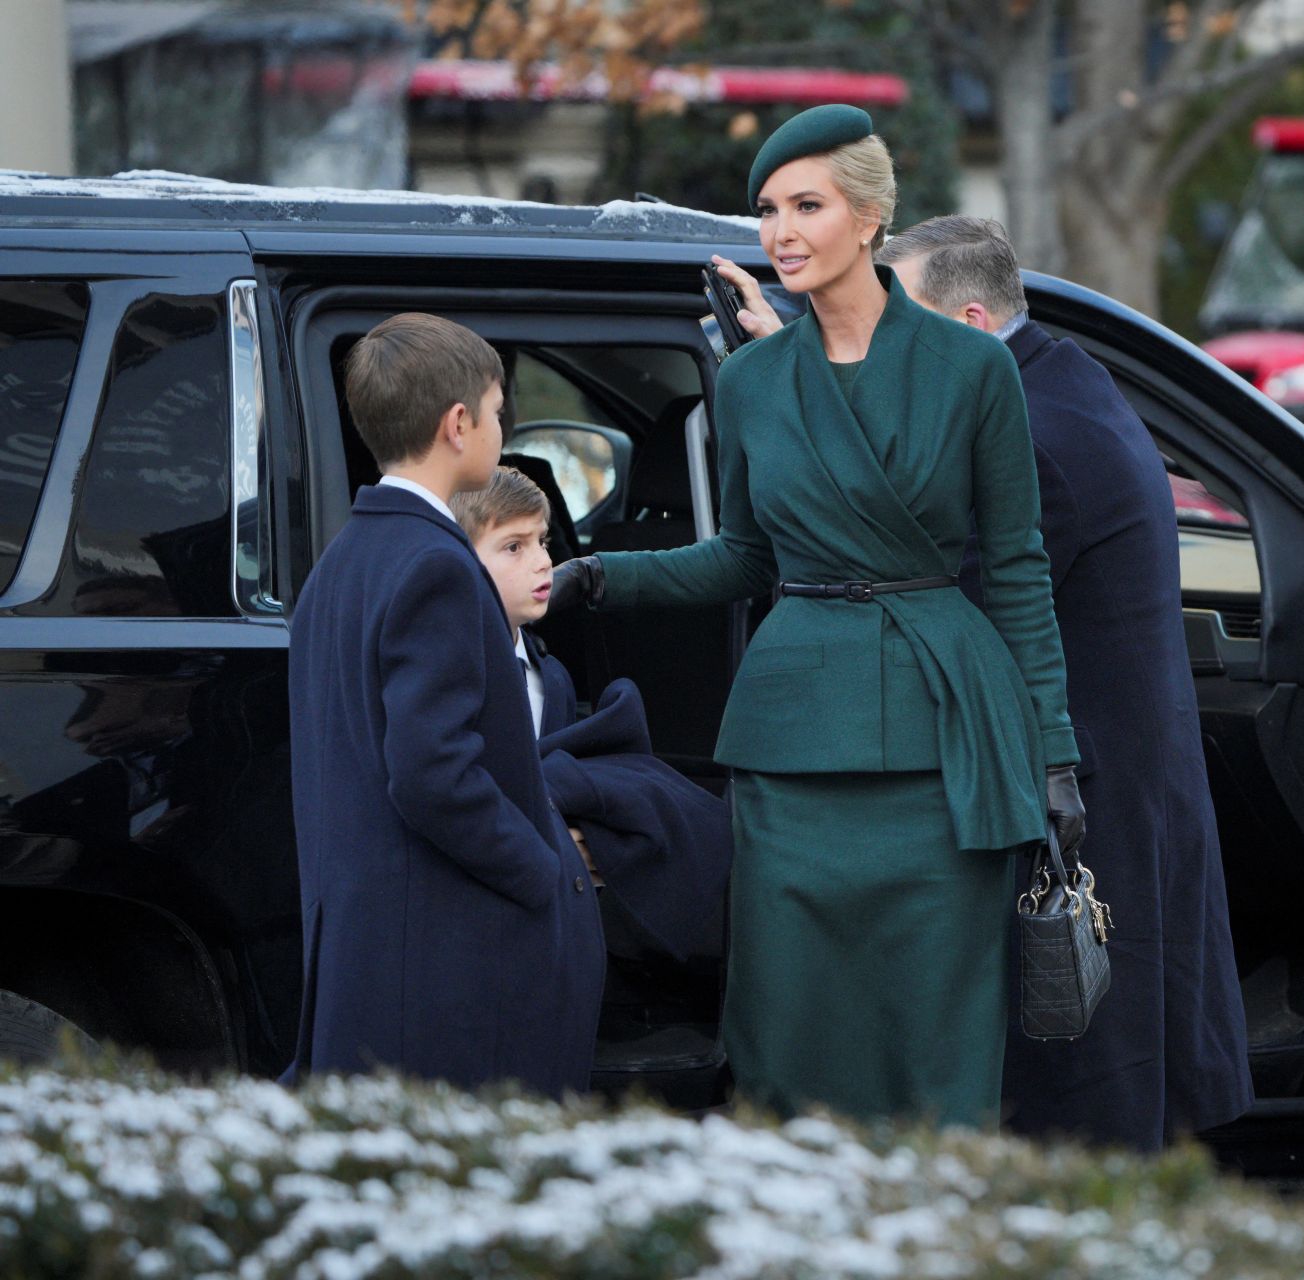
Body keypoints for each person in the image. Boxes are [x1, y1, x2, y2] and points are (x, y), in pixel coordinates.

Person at [547, 105, 1085, 1127]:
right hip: (794, 746)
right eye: (767, 210)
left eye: (808, 205)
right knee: (789, 1023)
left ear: (872, 217)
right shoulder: (751, 380)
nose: (781, 231)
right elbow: (746, 556)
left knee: (935, 1022)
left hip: (945, 742)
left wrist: (1052, 754)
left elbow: (1017, 568)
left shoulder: (974, 369)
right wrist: (599, 576)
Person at [857, 215, 1249, 1150]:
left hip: (1074, 810)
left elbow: (933, 617)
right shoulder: (1060, 384)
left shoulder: (1030, 440)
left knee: (1082, 1103)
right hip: (1104, 785)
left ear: (974, 320)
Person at [284, 313, 604, 1098]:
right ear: (458, 424)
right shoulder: (437, 566)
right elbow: (433, 773)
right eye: (498, 413)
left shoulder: (343, 561)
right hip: (437, 960)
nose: (501, 429)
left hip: (365, 953)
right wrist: (541, 868)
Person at [452, 465, 733, 963]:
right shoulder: (449, 674)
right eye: (513, 547)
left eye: (542, 540)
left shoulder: (552, 676)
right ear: (455, 561)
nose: (542, 562)